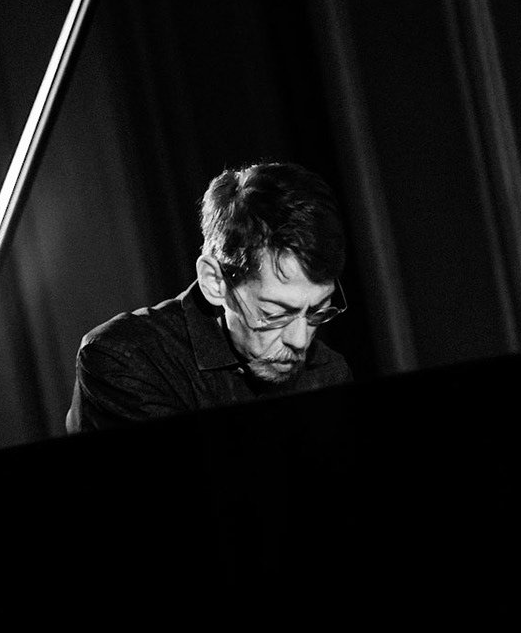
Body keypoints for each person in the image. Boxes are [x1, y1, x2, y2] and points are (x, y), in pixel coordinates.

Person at [66, 160, 352, 433]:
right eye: (275, 313)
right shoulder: (125, 359)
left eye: (317, 312)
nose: (300, 340)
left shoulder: (328, 373)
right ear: (215, 281)